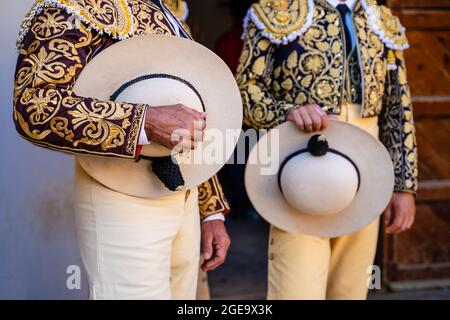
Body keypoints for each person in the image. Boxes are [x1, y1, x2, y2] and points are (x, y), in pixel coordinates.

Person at [13, 0, 231, 299]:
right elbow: (34, 107)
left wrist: (210, 212)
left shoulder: (165, 10)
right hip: (120, 195)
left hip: (185, 193)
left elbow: (190, 114)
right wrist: (146, 121)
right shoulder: (73, 5)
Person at [237, 0, 417, 299]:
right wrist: (288, 112)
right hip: (299, 167)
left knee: (351, 290)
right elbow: (245, 90)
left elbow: (398, 107)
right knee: (298, 290)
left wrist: (403, 185)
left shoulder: (380, 18)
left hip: (366, 173)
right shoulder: (275, 10)